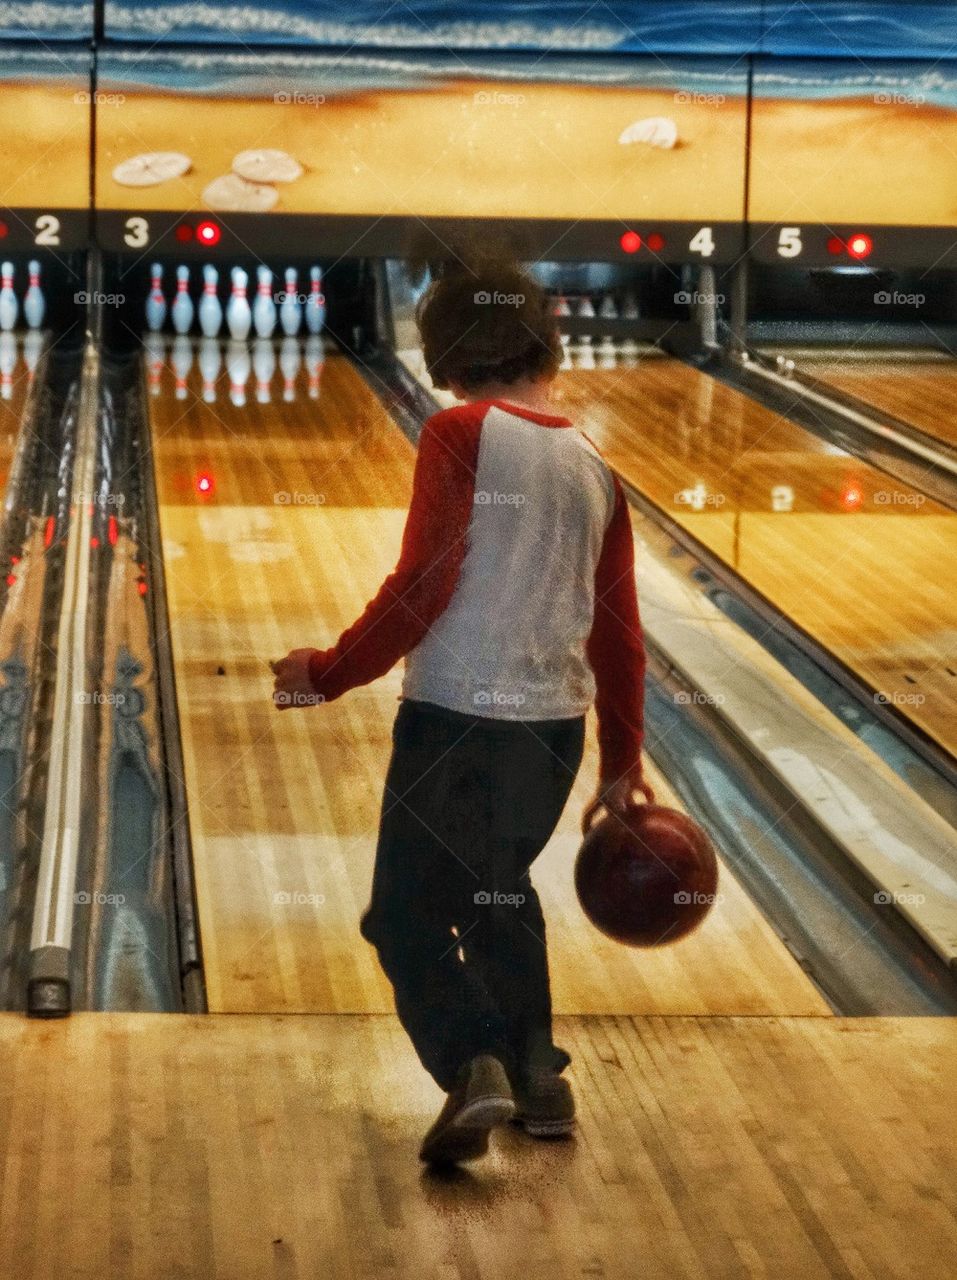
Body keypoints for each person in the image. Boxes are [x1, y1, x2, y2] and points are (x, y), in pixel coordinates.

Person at [272, 255, 650, 1166]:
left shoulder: (457, 432)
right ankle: (539, 1079)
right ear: (544, 343)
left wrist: (320, 674)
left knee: (401, 919)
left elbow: (422, 588)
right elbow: (622, 636)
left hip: (453, 725)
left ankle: (469, 1062)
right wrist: (620, 760)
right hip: (552, 732)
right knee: (497, 897)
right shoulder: (593, 464)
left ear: (443, 351)